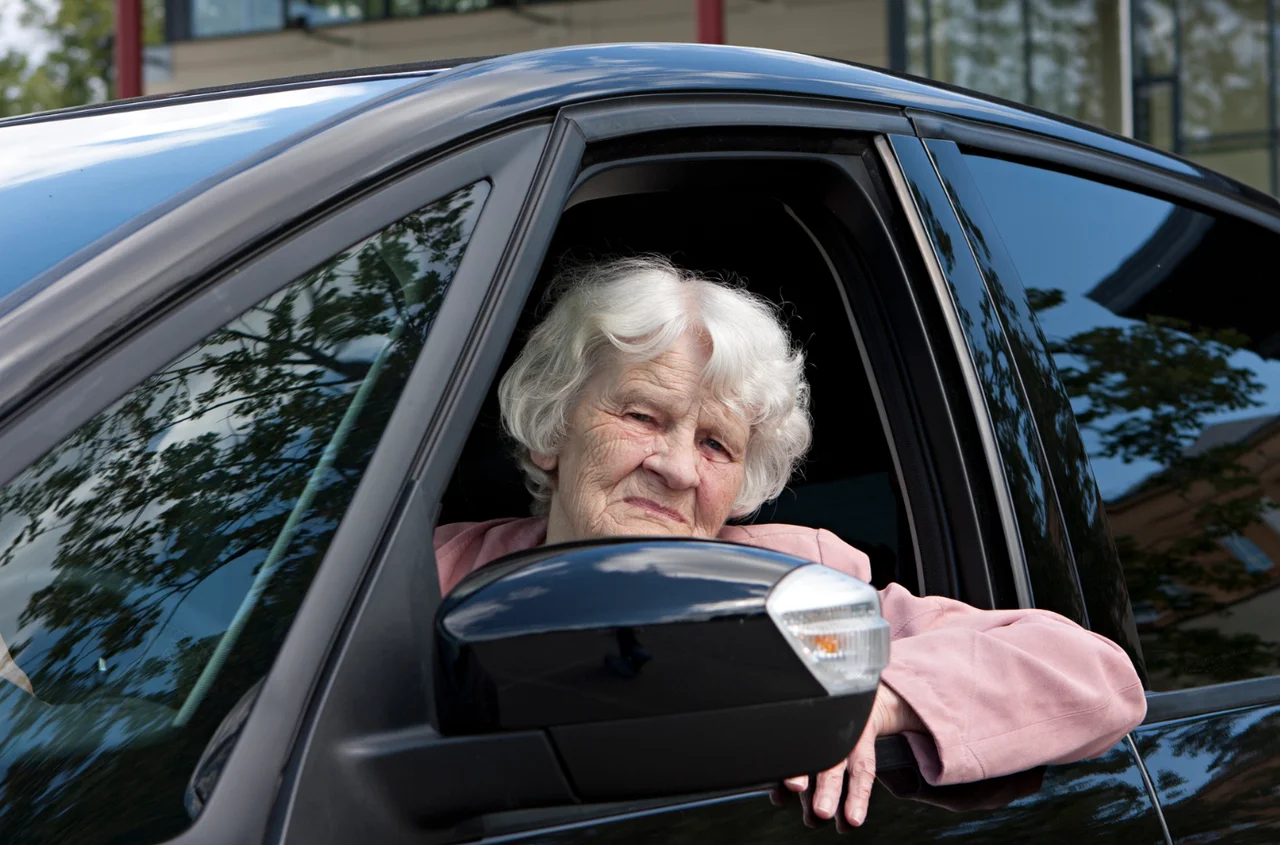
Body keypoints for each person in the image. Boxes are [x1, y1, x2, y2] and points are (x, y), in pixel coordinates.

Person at [433, 256, 1147, 827]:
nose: (678, 467)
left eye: (715, 443)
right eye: (644, 416)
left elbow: (1095, 676)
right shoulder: (413, 576)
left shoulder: (796, 580)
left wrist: (881, 696)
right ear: (556, 427)